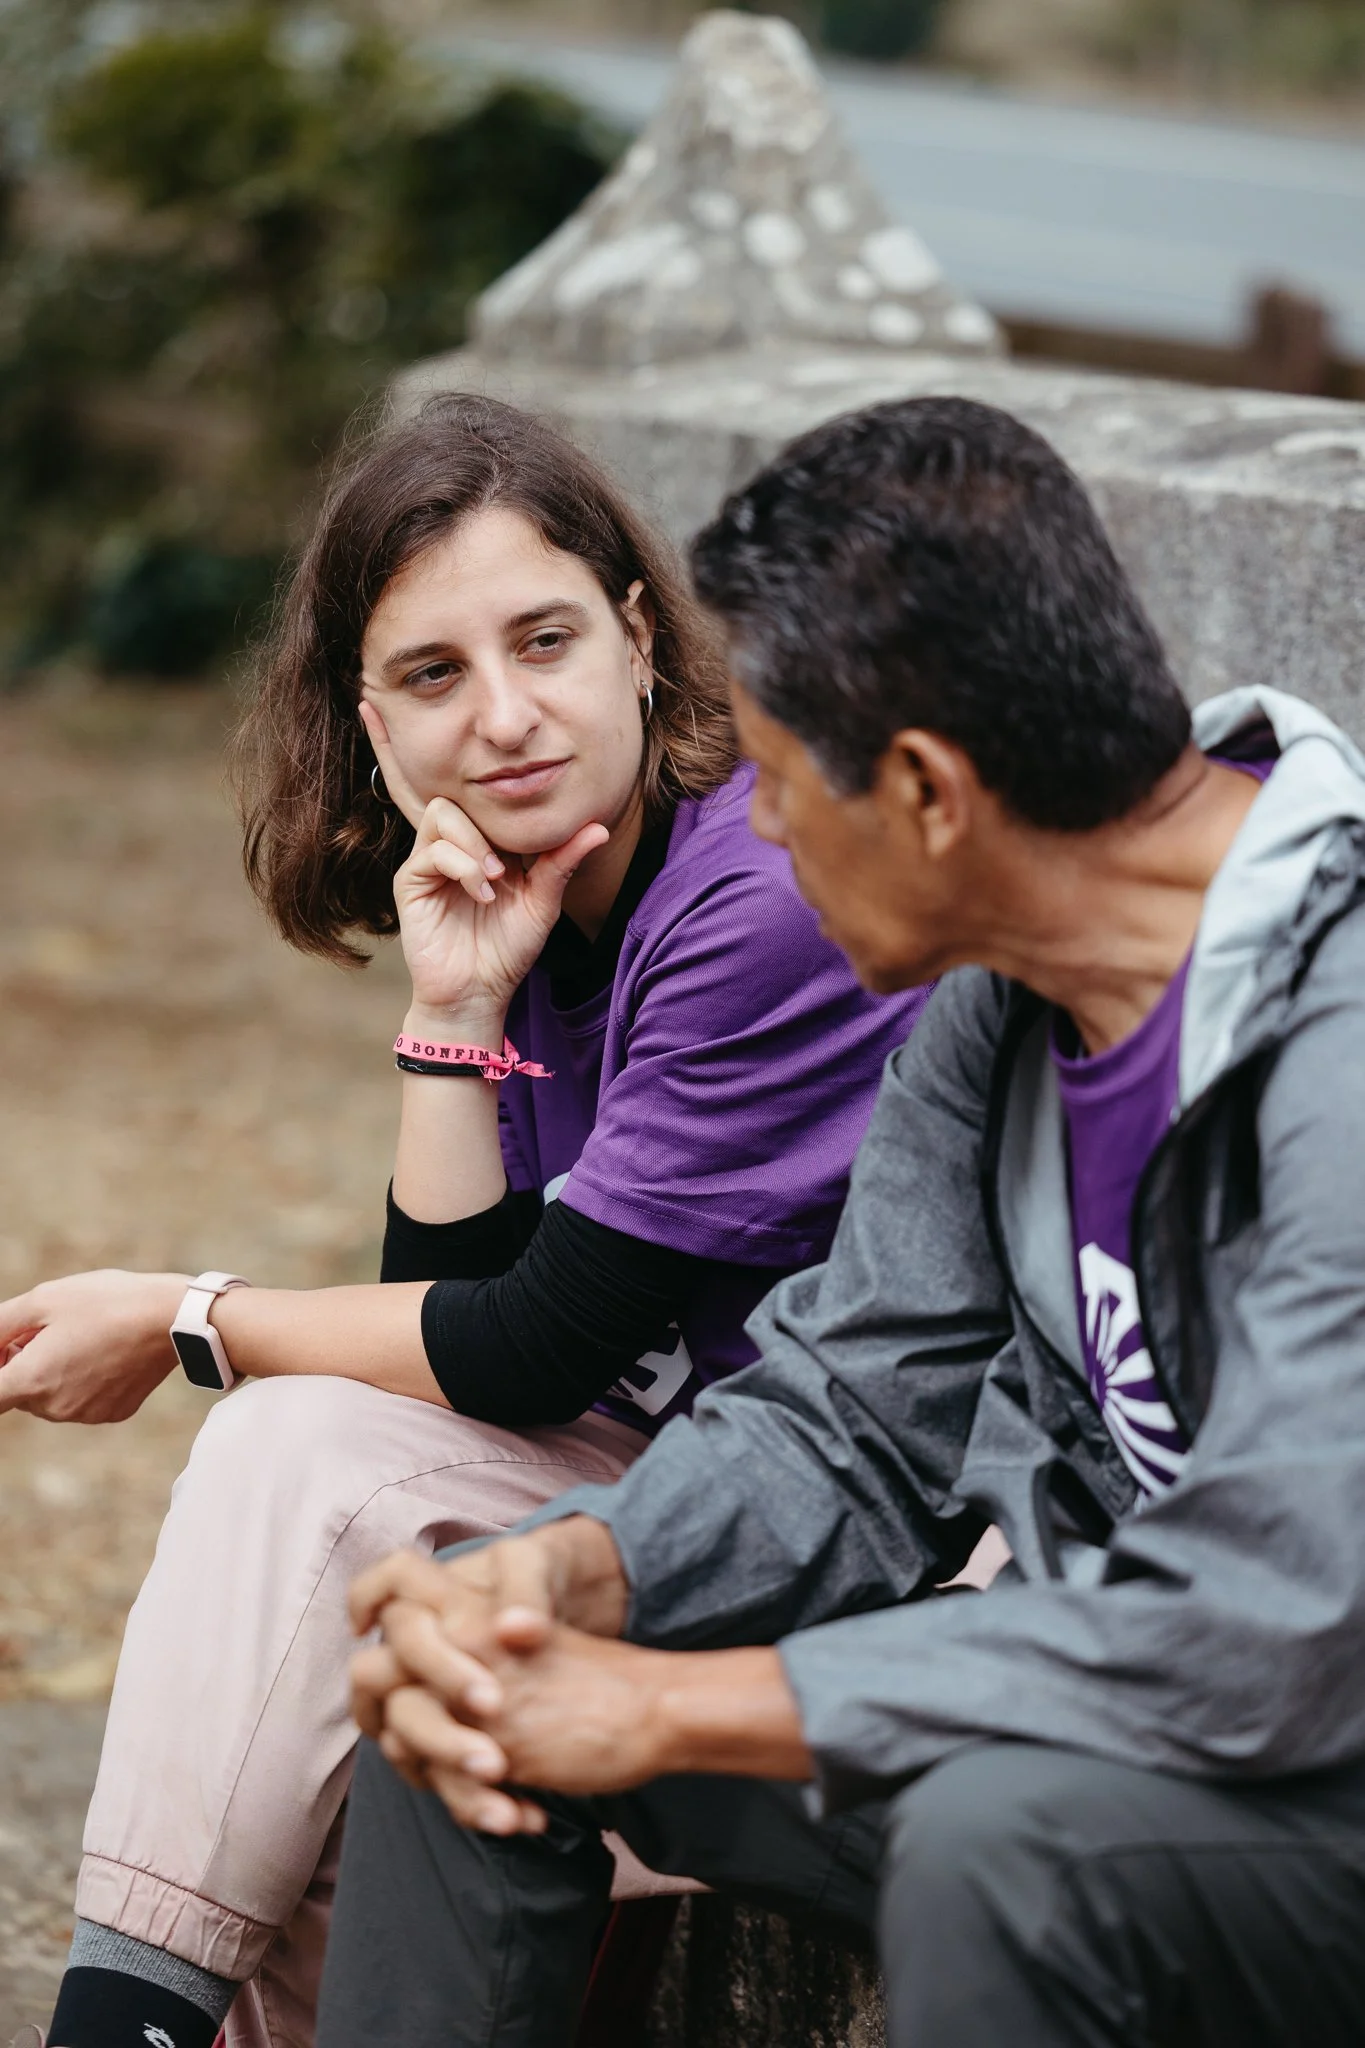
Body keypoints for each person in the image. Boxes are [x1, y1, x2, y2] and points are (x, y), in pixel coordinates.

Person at [325, 394, 1365, 2048]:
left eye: (791, 788)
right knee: (484, 1691)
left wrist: (668, 1703)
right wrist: (573, 1579)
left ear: (932, 794)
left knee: (998, 1849)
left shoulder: (1339, 1057)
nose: (766, 836)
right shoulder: (1000, 1012)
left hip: (1301, 1785)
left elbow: (1276, 1636)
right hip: (1080, 1720)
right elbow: (847, 1420)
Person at [0, 396, 929, 2048]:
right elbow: (438, 1358)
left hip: (851, 1543)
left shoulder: (752, 900)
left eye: (547, 641)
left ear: (641, 640)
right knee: (321, 1540)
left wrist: (185, 1313)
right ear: (368, 718)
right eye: (433, 676)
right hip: (670, 1489)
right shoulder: (524, 894)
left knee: (286, 1455)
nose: (505, 718)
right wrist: (454, 1009)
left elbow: (523, 1348)